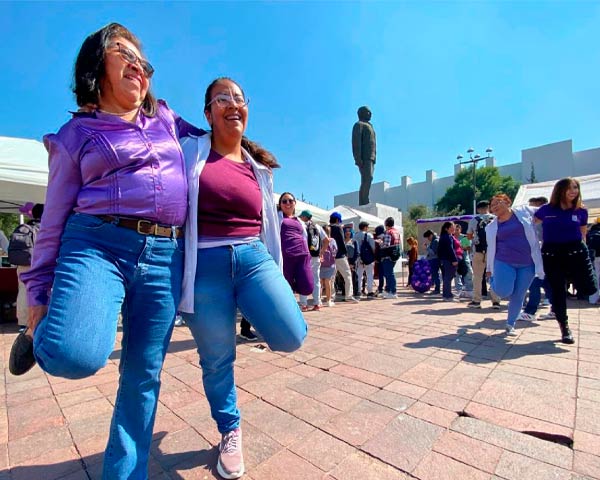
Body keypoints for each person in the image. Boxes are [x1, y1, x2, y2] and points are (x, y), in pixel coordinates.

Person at [10, 23, 201, 479]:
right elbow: (52, 219)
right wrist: (37, 296)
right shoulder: (76, 133)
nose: (138, 65)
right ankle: (40, 339)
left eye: (145, 62)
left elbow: (212, 142)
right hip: (97, 243)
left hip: (164, 256)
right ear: (98, 63)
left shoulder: (167, 120)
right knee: (77, 353)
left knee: (143, 374)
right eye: (125, 53)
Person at [178, 77, 307, 479]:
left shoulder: (260, 169)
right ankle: (229, 429)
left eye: (238, 98)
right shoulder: (189, 151)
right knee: (217, 360)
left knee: (291, 335)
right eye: (221, 99)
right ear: (207, 114)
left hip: (253, 259)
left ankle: (256, 317)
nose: (232, 104)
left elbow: (267, 226)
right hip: (205, 265)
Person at [534, 177, 598, 344]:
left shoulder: (581, 211)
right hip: (552, 253)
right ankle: (564, 326)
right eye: (569, 188)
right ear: (559, 190)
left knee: (589, 289)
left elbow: (583, 233)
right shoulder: (545, 210)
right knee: (558, 291)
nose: (573, 191)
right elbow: (531, 225)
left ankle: (579, 289)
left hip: (576, 251)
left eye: (576, 188)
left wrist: (585, 254)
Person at [486, 194, 544, 336]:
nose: (495, 207)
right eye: (492, 206)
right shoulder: (491, 227)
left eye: (498, 202)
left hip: (528, 263)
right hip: (503, 261)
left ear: (507, 202)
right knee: (503, 291)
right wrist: (489, 269)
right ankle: (493, 282)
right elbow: (491, 247)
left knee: (519, 294)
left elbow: (545, 210)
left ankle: (510, 324)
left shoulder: (524, 211)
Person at [7, 204, 44, 332]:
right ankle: (39, 321)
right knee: (41, 291)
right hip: (39, 264)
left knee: (23, 290)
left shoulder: (25, 228)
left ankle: (23, 322)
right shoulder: (45, 228)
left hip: (22, 264)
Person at [278, 192, 314, 307]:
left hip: (303, 256)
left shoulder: (300, 221)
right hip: (286, 257)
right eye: (284, 201)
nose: (287, 203)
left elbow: (305, 237)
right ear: (280, 204)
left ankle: (293, 288)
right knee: (284, 292)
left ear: (294, 203)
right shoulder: (276, 217)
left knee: (308, 288)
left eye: (290, 201)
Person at [467, 201, 501, 309]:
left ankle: (477, 301)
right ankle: (496, 301)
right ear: (488, 207)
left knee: (477, 277)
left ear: (478, 209)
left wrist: (475, 238)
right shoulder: (495, 218)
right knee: (494, 276)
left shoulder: (474, 220)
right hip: (493, 251)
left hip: (478, 251)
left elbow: (469, 236)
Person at [298, 210, 328, 311]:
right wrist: (321, 252)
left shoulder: (300, 225)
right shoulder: (318, 226)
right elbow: (326, 240)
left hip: (304, 256)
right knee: (316, 279)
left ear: (304, 217)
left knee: (303, 279)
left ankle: (304, 304)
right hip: (315, 256)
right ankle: (317, 303)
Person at [329, 212, 360, 303]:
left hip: (330, 256)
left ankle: (331, 296)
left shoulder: (327, 228)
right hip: (340, 255)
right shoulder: (338, 228)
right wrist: (345, 253)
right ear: (337, 220)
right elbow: (341, 242)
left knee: (332, 277)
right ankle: (348, 296)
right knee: (347, 275)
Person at [352, 106, 376, 205]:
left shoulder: (370, 125)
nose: (370, 114)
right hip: (364, 158)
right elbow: (356, 142)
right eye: (368, 112)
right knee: (367, 178)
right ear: (361, 113)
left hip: (371, 157)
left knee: (368, 178)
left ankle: (364, 200)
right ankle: (364, 201)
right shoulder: (359, 125)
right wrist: (358, 159)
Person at [378, 217, 401, 299]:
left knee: (389, 274)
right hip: (394, 255)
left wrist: (380, 242)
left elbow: (386, 245)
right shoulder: (396, 232)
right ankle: (388, 290)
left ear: (386, 224)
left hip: (387, 256)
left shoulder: (388, 232)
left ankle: (393, 291)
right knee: (389, 273)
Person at [438, 221, 458, 301]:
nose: (454, 229)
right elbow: (450, 249)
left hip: (445, 259)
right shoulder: (446, 237)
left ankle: (447, 294)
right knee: (448, 277)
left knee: (447, 277)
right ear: (447, 229)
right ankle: (447, 296)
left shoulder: (445, 236)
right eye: (452, 227)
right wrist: (454, 259)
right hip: (448, 260)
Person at [355, 221, 376, 297]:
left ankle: (358, 291)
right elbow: (373, 247)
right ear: (365, 227)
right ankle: (370, 291)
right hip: (368, 258)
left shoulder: (355, 235)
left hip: (359, 258)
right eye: (367, 227)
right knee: (369, 274)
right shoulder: (369, 235)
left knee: (359, 274)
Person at [320, 225, 338, 306]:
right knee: (328, 282)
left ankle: (318, 300)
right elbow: (335, 251)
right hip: (330, 264)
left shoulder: (320, 240)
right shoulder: (332, 240)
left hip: (321, 263)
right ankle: (328, 301)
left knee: (320, 283)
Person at [423, 229, 441, 294]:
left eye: (428, 237)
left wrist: (427, 247)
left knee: (435, 275)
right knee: (435, 274)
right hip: (434, 260)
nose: (428, 239)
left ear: (431, 235)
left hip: (435, 260)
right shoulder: (434, 240)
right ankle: (436, 288)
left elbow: (433, 252)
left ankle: (437, 289)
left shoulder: (435, 241)